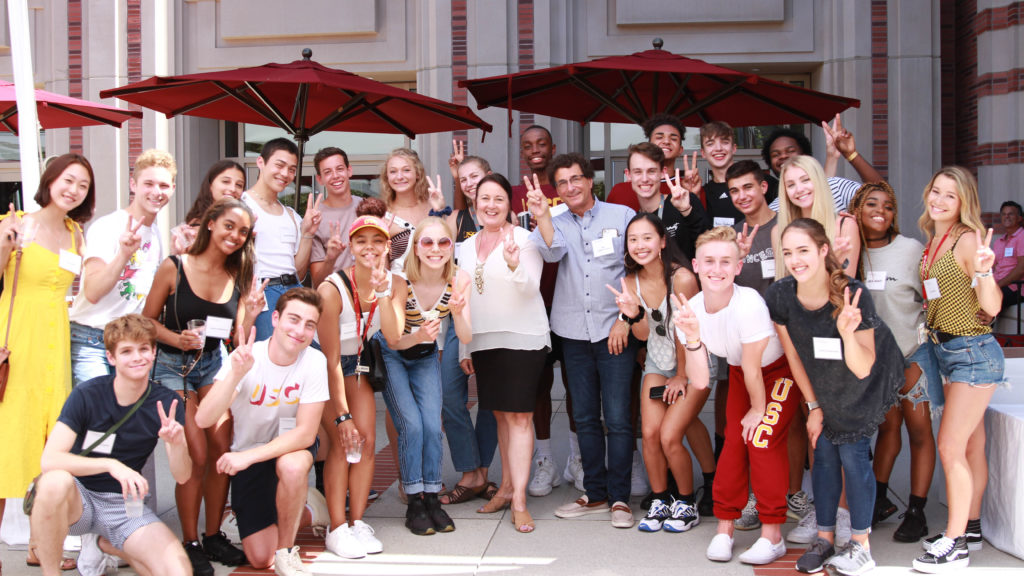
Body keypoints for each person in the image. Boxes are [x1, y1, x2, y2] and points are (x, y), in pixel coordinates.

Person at [765, 218, 903, 575]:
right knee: (823, 455)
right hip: (822, 382)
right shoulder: (780, 295)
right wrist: (812, 406)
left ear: (823, 250)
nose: (796, 260)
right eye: (788, 252)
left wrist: (845, 333)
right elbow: (793, 355)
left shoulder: (852, 294)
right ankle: (825, 539)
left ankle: (861, 545)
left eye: (804, 251)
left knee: (854, 457)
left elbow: (863, 367)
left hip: (865, 380)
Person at [141, 197, 261, 573]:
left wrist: (253, 311)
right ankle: (189, 540)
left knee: (222, 447)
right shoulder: (174, 267)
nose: (235, 236)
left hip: (210, 365)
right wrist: (176, 340)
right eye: (229, 226)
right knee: (195, 451)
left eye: (243, 231)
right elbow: (144, 322)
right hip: (170, 365)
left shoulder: (238, 272)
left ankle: (212, 536)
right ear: (210, 223)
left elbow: (234, 335)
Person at [671, 227, 800, 565]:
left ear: (738, 267)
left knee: (761, 439)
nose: (718, 269)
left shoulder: (750, 304)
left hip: (777, 372)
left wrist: (759, 409)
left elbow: (756, 368)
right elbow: (700, 380)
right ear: (696, 265)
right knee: (732, 444)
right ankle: (725, 528)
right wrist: (694, 337)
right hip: (743, 374)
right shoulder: (691, 309)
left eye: (726, 262)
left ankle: (772, 536)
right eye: (710, 261)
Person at [28, 314, 190, 576]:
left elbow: (182, 475)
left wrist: (178, 443)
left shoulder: (165, 401)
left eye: (143, 349)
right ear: (111, 357)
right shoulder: (88, 394)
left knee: (178, 571)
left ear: (153, 352)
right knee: (53, 482)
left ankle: (110, 543)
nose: (137, 357)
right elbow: (50, 460)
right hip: (77, 497)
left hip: (124, 504)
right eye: (126, 351)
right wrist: (111, 465)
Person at [529, 153, 638, 528]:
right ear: (556, 189)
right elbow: (550, 252)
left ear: (590, 181)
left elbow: (637, 268)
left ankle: (620, 498)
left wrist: (627, 318)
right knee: (587, 417)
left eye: (576, 179)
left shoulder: (621, 216)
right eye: (562, 183)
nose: (571, 187)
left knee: (620, 418)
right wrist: (543, 217)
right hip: (573, 331)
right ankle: (596, 492)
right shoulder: (553, 221)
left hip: (615, 331)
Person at [0, 154, 94, 571]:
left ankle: (40, 544)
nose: (73, 190)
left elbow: (80, 289)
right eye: (68, 180)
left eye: (83, 186)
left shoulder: (77, 233)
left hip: (58, 345)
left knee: (48, 445)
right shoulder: (16, 221)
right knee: (10, 442)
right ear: (50, 179)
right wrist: (7, 245)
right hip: (19, 341)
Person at [194, 288, 329, 576]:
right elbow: (204, 418)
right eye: (293, 319)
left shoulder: (315, 360)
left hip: (288, 447)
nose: (300, 330)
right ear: (276, 318)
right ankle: (308, 509)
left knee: (292, 467)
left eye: (310, 324)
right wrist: (236, 374)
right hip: (249, 454)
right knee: (258, 558)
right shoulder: (247, 356)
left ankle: (286, 552)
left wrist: (249, 457)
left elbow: (306, 434)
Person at [913, 167, 1005, 573]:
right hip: (946, 351)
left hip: (972, 353)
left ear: (964, 202)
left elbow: (993, 306)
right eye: (936, 191)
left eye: (951, 195)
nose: (940, 200)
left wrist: (985, 270)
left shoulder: (968, 240)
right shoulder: (934, 239)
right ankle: (970, 529)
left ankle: (955, 545)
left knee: (950, 447)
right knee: (970, 446)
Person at [848, 182, 939, 543]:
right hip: (877, 361)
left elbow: (932, 294)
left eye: (888, 206)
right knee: (887, 429)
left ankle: (916, 511)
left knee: (918, 432)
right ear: (856, 210)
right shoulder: (851, 253)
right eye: (871, 204)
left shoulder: (910, 250)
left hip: (913, 352)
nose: (880, 212)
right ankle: (880, 499)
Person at [457, 174, 548, 532]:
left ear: (510, 204)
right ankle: (506, 487)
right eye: (484, 198)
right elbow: (463, 299)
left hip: (523, 337)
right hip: (483, 340)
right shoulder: (465, 245)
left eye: (498, 198)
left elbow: (531, 288)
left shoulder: (524, 239)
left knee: (520, 418)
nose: (490, 205)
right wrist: (466, 344)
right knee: (499, 417)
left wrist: (513, 264)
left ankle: (520, 499)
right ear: (474, 203)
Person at [607, 213, 706, 534]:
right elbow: (645, 336)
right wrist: (632, 314)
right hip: (657, 359)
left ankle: (687, 502)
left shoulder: (682, 279)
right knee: (648, 433)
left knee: (669, 435)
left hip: (690, 360)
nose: (640, 245)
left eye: (647, 238)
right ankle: (661, 499)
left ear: (663, 241)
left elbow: (685, 332)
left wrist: (680, 375)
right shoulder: (632, 281)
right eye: (633, 239)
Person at [378, 217, 472, 535]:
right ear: (416, 248)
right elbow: (392, 339)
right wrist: (419, 337)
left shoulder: (459, 279)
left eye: (443, 242)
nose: (435, 249)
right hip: (395, 353)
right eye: (427, 242)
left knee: (433, 427)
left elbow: (466, 336)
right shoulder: (401, 282)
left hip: (424, 354)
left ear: (452, 247)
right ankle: (415, 500)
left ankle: (432, 497)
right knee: (413, 427)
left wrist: (458, 313)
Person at [315, 215, 401, 557]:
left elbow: (393, 337)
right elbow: (329, 359)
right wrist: (342, 416)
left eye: (377, 241)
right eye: (361, 241)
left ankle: (357, 522)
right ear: (351, 246)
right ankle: (336, 528)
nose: (369, 247)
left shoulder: (392, 283)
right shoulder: (332, 289)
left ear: (386, 247)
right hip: (324, 368)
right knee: (342, 440)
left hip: (359, 364)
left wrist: (382, 293)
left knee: (365, 442)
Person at [505, 125, 578, 498]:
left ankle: (577, 459)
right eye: (528, 146)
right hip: (531, 303)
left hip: (567, 299)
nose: (535, 150)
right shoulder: (515, 193)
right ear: (522, 151)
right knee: (539, 387)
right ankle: (545, 459)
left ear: (552, 148)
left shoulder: (568, 189)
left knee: (577, 386)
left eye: (542, 144)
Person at [69, 149, 176, 385]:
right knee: (98, 415)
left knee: (127, 417)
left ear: (173, 189)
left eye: (164, 185)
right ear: (133, 184)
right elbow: (93, 292)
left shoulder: (157, 234)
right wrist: (123, 254)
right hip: (92, 339)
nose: (156, 192)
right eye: (148, 183)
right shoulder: (107, 226)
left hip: (131, 342)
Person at [437, 154, 499, 507]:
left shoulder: (502, 217)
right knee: (450, 397)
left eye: (476, 176)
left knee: (491, 400)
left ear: (489, 176)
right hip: (455, 318)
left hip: (494, 321)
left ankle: (480, 474)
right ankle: (470, 470)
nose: (470, 183)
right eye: (464, 179)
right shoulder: (455, 219)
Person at [243, 138, 320, 340]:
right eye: (279, 165)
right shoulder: (242, 206)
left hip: (294, 289)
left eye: (292, 169)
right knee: (270, 358)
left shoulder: (292, 215)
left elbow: (299, 271)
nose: (285, 174)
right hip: (262, 293)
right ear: (261, 162)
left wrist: (307, 233)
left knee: (305, 355)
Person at [776, 155, 860, 277]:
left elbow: (846, 285)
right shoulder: (779, 230)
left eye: (805, 180)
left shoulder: (845, 226)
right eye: (790, 185)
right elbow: (784, 286)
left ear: (819, 180)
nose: (799, 189)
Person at [605, 114, 689, 210]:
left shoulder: (686, 188)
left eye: (673, 139)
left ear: (680, 150)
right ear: (649, 145)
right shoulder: (620, 190)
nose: (666, 141)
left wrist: (695, 195)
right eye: (659, 137)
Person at [309, 147, 363, 286]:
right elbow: (317, 281)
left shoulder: (365, 206)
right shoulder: (315, 219)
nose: (335, 176)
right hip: (335, 297)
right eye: (327, 172)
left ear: (349, 170)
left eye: (339, 169)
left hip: (369, 294)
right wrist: (330, 258)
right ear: (320, 179)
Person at [170, 160, 246, 255]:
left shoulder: (243, 223)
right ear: (210, 185)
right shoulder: (194, 228)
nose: (232, 189)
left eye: (239, 185)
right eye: (226, 181)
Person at [380, 148, 433, 274]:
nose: (399, 176)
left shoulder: (433, 207)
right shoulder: (383, 216)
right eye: (393, 171)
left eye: (406, 170)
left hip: (435, 287)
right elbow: (382, 271)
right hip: (401, 290)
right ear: (387, 177)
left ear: (418, 173)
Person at [697, 121, 744, 227]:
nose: (718, 148)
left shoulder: (757, 182)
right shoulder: (703, 194)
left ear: (734, 148)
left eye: (725, 142)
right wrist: (694, 196)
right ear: (703, 153)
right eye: (710, 143)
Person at [992, 200, 1024, 311]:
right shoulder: (998, 242)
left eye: (1011, 214)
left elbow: (1021, 269)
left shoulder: (1022, 237)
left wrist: (998, 285)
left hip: (1015, 288)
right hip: (998, 286)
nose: (1007, 217)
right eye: (1004, 214)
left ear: (1020, 218)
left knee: (986, 301)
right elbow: (993, 267)